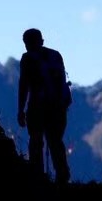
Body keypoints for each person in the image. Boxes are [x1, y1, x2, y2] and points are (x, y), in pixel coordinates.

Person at [17, 27, 72, 185]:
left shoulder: (27, 59)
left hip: (38, 106)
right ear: (41, 41)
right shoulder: (55, 56)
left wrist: (20, 110)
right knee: (55, 141)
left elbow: (24, 85)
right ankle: (62, 176)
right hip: (58, 106)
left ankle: (38, 176)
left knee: (36, 141)